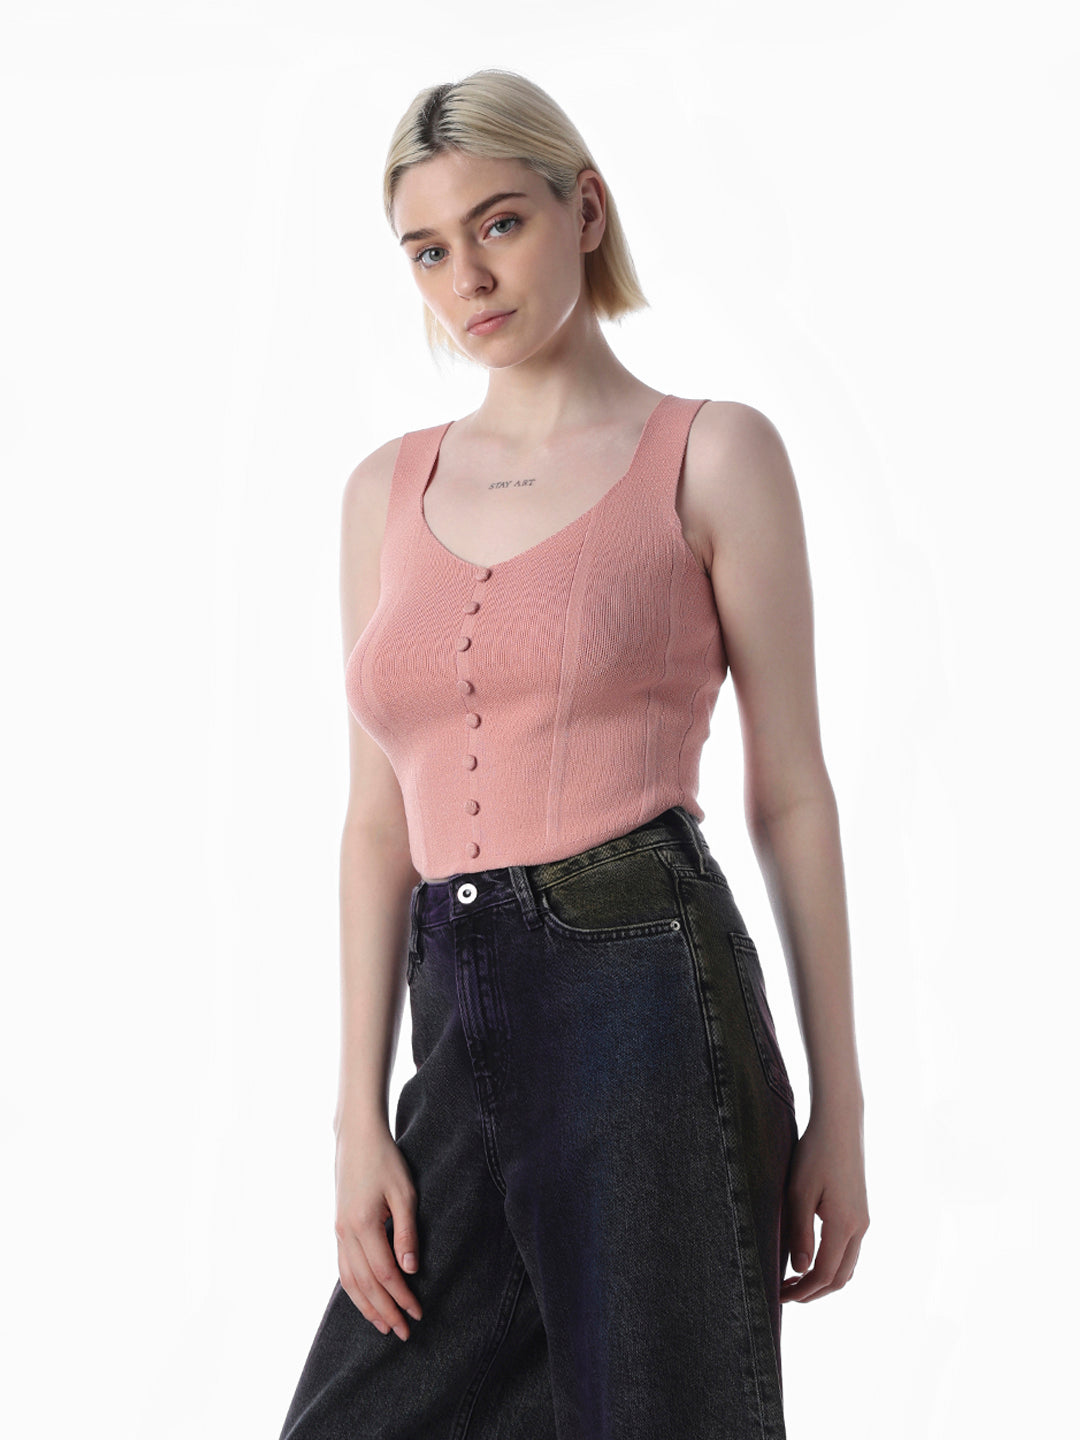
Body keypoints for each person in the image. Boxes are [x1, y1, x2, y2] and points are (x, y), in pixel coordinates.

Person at [277, 67, 869, 1440]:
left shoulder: (712, 456)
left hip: (645, 993)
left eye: (501, 224)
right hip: (452, 1013)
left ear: (584, 210)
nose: (469, 278)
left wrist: (839, 1106)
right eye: (429, 250)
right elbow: (377, 823)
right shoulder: (383, 492)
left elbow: (792, 791)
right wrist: (357, 1117)